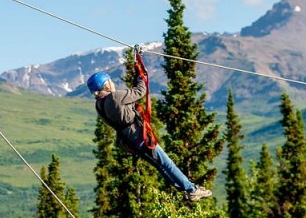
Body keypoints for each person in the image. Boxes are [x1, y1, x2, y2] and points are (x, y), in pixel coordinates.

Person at [87, 70, 212, 202]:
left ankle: (186, 189)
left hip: (129, 141)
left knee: (161, 165)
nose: (112, 83)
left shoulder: (99, 105)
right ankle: (191, 190)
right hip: (140, 137)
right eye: (110, 81)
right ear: (105, 85)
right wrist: (141, 77)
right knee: (166, 163)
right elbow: (140, 91)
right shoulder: (115, 97)